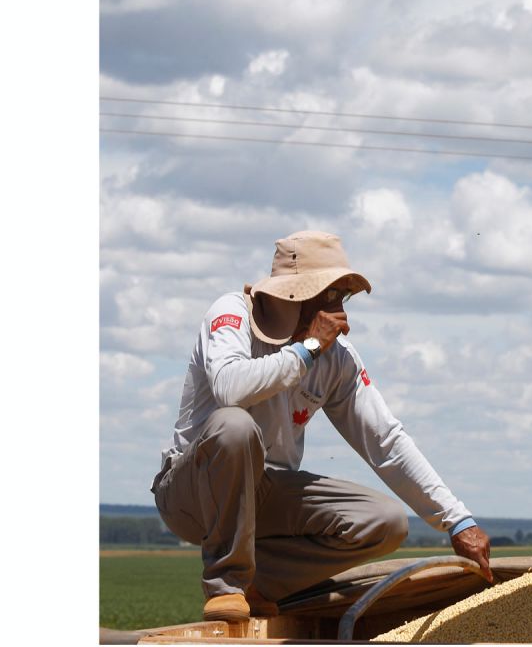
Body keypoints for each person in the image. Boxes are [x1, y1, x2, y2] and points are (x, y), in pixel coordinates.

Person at [151, 230, 492, 623]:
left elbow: (386, 440)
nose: (338, 310)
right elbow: (229, 388)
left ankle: (260, 581)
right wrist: (306, 350)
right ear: (294, 294)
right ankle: (226, 586)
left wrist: (456, 520)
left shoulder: (337, 359)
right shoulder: (233, 313)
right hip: (192, 493)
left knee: (384, 522)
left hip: (262, 492)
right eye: (328, 294)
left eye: (341, 297)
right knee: (234, 426)